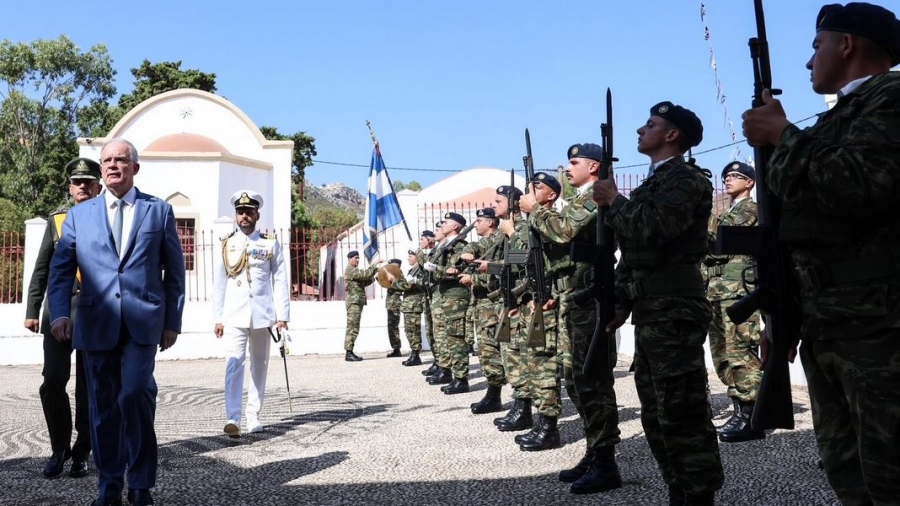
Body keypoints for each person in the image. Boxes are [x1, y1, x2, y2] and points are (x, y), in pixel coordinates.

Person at [741, 3, 900, 504]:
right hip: (828, 321)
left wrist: (782, 136)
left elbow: (858, 187)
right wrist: (781, 315)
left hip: (881, 326)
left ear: (846, 44)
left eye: (816, 46)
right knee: (846, 471)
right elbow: (794, 228)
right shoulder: (836, 121)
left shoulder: (892, 98)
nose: (810, 62)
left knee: (889, 473)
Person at [594, 103, 722, 505]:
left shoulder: (685, 180)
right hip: (651, 310)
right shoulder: (652, 185)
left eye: (651, 125)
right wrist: (619, 301)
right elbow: (631, 254)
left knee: (681, 410)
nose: (640, 129)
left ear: (671, 136)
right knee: (656, 412)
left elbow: (652, 230)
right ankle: (677, 488)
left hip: (675, 311)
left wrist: (614, 200)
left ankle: (698, 494)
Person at [48, 138, 186, 506]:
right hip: (95, 324)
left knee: (135, 394)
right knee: (103, 408)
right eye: (106, 160)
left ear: (134, 168)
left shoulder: (157, 211)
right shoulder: (79, 215)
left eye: (120, 160)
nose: (111, 166)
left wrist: (172, 320)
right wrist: (60, 313)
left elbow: (175, 271)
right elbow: (61, 270)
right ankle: (109, 485)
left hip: (143, 323)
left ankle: (140, 484)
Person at [522, 146, 622, 495]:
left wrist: (534, 210)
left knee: (593, 380)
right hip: (572, 298)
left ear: (594, 167)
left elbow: (562, 231)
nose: (567, 168)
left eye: (574, 162)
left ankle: (606, 461)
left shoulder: (595, 195)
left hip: (590, 300)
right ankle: (595, 451)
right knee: (575, 380)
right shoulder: (581, 197)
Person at [24, 157, 102, 479]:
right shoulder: (56, 221)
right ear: (70, 188)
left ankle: (82, 452)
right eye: (77, 182)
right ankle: (59, 449)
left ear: (98, 187)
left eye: (88, 182)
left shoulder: (108, 220)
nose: (82, 187)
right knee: (53, 381)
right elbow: (42, 268)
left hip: (96, 315)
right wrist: (32, 310)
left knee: (88, 388)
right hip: (58, 315)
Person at [213, 190, 290, 438]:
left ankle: (253, 415)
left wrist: (282, 316)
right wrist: (218, 317)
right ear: (236, 215)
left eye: (249, 212)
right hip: (234, 315)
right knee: (233, 364)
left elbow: (280, 280)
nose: (244, 216)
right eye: (240, 212)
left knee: (260, 365)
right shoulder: (226, 243)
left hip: (262, 314)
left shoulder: (269, 243)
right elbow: (219, 283)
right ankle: (232, 416)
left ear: (257, 214)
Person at [703, 162, 763, 443]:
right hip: (717, 290)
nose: (728, 180)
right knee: (722, 354)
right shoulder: (726, 211)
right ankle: (739, 408)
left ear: (750, 182)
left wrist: (701, 207)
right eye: (725, 176)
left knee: (741, 352)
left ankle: (752, 415)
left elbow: (718, 237)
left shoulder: (750, 210)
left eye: (736, 176)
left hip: (738, 290)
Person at [514, 172, 563, 452]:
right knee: (534, 362)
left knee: (544, 364)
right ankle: (541, 423)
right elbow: (523, 262)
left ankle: (549, 428)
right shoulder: (534, 223)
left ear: (552, 195)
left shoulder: (553, 223)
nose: (530, 192)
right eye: (529, 187)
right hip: (534, 301)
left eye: (537, 187)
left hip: (549, 301)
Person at [459, 207, 507, 414]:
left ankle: (496, 395)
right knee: (487, 350)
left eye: (479, 220)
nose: (476, 224)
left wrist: (474, 279)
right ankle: (493, 394)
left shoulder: (504, 237)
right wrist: (467, 249)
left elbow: (505, 269)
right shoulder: (488, 241)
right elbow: (475, 247)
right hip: (482, 304)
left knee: (493, 350)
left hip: (493, 302)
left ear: (491, 222)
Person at [423, 212, 471, 394]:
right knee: (444, 334)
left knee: (456, 337)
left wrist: (437, 269)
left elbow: (455, 270)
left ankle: (461, 378)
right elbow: (437, 274)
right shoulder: (444, 246)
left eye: (446, 223)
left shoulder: (460, 247)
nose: (442, 226)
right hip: (444, 294)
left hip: (456, 295)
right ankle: (446, 369)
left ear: (456, 227)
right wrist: (438, 270)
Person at [343, 250, 383, 361]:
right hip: (354, 303)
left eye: (358, 258)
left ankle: (349, 351)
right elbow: (364, 274)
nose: (357, 260)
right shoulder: (350, 270)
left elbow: (364, 281)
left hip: (357, 302)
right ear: (350, 259)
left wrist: (375, 276)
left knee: (354, 327)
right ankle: (349, 352)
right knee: (352, 327)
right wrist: (374, 266)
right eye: (355, 258)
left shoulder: (354, 271)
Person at [388, 250, 425, 366]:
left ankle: (416, 355)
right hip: (409, 305)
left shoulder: (419, 269)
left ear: (417, 257)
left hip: (414, 305)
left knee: (413, 330)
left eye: (410, 256)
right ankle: (414, 354)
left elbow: (408, 285)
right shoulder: (413, 269)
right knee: (409, 330)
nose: (408, 258)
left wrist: (393, 280)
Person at [384, 258, 404, 357]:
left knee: (393, 326)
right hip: (390, 303)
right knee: (391, 327)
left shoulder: (399, 275)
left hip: (395, 304)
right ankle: (395, 348)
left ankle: (397, 349)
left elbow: (400, 286)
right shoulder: (392, 274)